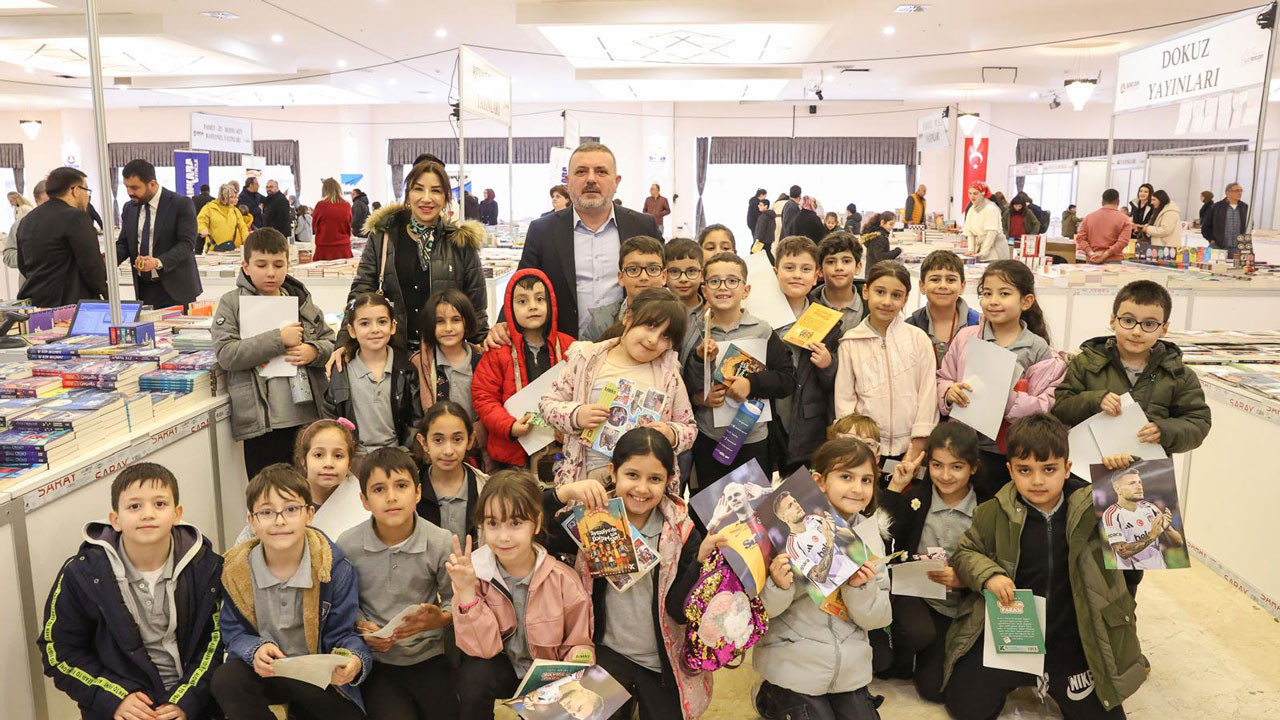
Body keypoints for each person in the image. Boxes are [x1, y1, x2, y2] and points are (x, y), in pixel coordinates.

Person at [943, 414, 1147, 720]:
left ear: (1067, 468)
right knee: (965, 707)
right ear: (1010, 469)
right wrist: (989, 575)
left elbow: (1139, 556)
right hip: (1012, 632)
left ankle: (1050, 675)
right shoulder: (991, 512)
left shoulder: (1097, 507)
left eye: (1048, 469)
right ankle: (1028, 675)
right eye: (1025, 470)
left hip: (1072, 636)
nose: (1037, 481)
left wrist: (1127, 472)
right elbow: (966, 551)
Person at [549, 428, 718, 719]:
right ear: (613, 472)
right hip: (605, 655)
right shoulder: (590, 518)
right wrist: (564, 492)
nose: (641, 488)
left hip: (663, 661)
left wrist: (701, 563)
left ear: (669, 481)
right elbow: (537, 529)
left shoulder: (683, 532)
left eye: (654, 479)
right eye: (632, 475)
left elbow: (678, 611)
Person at [38, 463, 223, 720]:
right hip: (120, 704)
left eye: (159, 504)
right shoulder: (82, 573)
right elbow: (58, 651)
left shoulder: (206, 567)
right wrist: (115, 699)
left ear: (177, 513)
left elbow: (217, 642)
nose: (147, 514)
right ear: (115, 519)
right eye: (134, 506)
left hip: (192, 704)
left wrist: (186, 701)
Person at [211, 464, 371, 719]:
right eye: (266, 512)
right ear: (252, 522)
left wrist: (355, 659)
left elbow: (345, 634)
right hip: (266, 673)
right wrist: (256, 649)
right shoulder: (235, 572)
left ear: (309, 515)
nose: (280, 521)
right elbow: (233, 633)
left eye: (291, 509)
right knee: (226, 680)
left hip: (316, 679)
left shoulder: (334, 568)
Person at [754, 437, 889, 720]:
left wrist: (860, 587)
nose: (857, 488)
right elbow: (763, 613)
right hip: (793, 661)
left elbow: (878, 619)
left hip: (849, 670)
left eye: (866, 480)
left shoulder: (869, 540)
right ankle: (769, 695)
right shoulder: (781, 534)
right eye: (846, 476)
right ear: (819, 481)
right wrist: (779, 585)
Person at [447, 470, 595, 719]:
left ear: (536, 523)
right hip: (502, 671)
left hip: (548, 677)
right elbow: (482, 650)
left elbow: (578, 643)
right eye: (493, 523)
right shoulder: (473, 573)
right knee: (475, 677)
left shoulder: (564, 580)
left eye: (516, 523)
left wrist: (579, 661)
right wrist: (466, 594)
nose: (503, 536)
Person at [338, 447, 459, 720]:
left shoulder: (440, 541)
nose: (391, 497)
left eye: (401, 486)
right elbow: (343, 603)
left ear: (417, 493)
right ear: (364, 500)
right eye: (379, 490)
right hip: (377, 662)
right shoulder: (348, 544)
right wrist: (362, 626)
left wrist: (439, 618)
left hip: (429, 655)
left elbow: (456, 600)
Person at [499, 142, 660, 341]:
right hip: (563, 350)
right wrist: (502, 324)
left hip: (631, 346)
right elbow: (523, 283)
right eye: (581, 172)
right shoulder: (542, 230)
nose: (591, 179)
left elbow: (666, 281)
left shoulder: (643, 226)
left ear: (616, 181)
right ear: (568, 182)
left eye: (601, 172)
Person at [212, 228, 336, 480]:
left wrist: (314, 351)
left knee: (309, 493)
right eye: (261, 264)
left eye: (278, 264)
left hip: (307, 417)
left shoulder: (301, 299)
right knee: (269, 493)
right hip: (263, 423)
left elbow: (331, 341)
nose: (270, 272)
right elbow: (226, 354)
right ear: (245, 266)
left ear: (288, 265)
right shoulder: (232, 303)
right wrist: (277, 340)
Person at [541, 287, 696, 486]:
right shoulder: (587, 359)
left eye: (665, 336)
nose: (653, 339)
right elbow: (547, 404)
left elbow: (689, 428)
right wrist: (576, 415)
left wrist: (671, 434)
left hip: (643, 488)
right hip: (587, 481)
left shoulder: (669, 374)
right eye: (650, 326)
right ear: (628, 317)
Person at [938, 260, 1065, 502]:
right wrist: (948, 392)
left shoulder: (1037, 347)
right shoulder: (967, 337)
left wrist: (1005, 397)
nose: (993, 301)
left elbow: (1043, 405)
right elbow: (943, 377)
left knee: (1005, 507)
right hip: (967, 447)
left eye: (1004, 294)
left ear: (1026, 301)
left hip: (1012, 451)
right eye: (987, 293)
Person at [337, 160, 489, 353]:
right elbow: (360, 292)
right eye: (418, 189)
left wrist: (484, 345)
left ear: (446, 198)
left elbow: (476, 307)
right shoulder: (383, 237)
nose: (426, 198)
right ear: (408, 194)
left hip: (445, 358)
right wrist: (344, 342)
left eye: (436, 191)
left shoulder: (460, 243)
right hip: (393, 357)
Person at [1052, 280, 1211, 464]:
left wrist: (1164, 431)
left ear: (1164, 329)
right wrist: (1095, 400)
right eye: (1128, 321)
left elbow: (1198, 423)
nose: (1136, 332)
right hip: (1089, 469)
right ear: (1113, 320)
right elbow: (1060, 409)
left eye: (1149, 324)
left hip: (1149, 475)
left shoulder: (1178, 374)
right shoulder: (1086, 363)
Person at [880, 423, 980, 702]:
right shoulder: (917, 498)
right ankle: (903, 652)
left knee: (936, 689)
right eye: (937, 465)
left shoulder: (984, 508)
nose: (945, 475)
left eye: (956, 467)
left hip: (960, 605)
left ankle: (928, 652)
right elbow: (883, 533)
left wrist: (965, 579)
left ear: (973, 467)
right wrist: (896, 486)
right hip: (916, 598)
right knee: (917, 634)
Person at [683, 254, 795, 490]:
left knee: (754, 513)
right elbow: (682, 385)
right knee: (710, 514)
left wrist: (752, 384)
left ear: (746, 290)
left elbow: (787, 380)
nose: (723, 287)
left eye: (732, 281)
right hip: (708, 439)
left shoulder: (762, 331)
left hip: (753, 439)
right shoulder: (694, 331)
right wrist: (697, 362)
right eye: (715, 281)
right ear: (704, 289)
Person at [835, 261, 939, 464]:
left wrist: (918, 443)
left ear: (906, 298)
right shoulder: (850, 341)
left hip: (911, 447)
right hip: (865, 449)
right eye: (880, 292)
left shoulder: (918, 339)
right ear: (866, 291)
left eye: (896, 295)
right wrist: (856, 446)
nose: (887, 301)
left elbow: (928, 393)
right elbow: (844, 399)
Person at [473, 268, 574, 469]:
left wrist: (569, 425)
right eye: (522, 301)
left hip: (558, 450)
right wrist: (508, 426)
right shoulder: (498, 350)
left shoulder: (569, 347)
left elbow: (580, 393)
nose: (532, 307)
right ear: (509, 308)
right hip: (511, 454)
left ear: (551, 304)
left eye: (540, 299)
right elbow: (484, 396)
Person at [771, 236, 839, 475]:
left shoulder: (827, 318)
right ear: (775, 271)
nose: (797, 275)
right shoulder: (759, 314)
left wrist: (828, 364)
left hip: (808, 423)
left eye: (806, 269)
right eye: (789, 268)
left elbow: (834, 381)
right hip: (769, 417)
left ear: (817, 274)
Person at [322, 293, 422, 454]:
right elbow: (330, 417)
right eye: (365, 323)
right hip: (354, 459)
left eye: (382, 322)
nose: (374, 329)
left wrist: (406, 453)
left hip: (397, 457)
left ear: (393, 326)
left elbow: (416, 420)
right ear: (352, 330)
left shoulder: (406, 369)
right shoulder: (341, 371)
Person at [116, 159, 202, 308]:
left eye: (135, 188)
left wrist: (158, 262)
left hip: (176, 289)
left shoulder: (181, 204)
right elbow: (124, 244)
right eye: (127, 187)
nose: (130, 192)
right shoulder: (129, 208)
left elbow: (186, 244)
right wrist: (106, 261)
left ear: (152, 184)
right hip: (144, 289)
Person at [16, 166, 108, 307]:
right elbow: (91, 266)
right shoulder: (76, 217)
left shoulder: (27, 220)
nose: (87, 197)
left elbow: (23, 265)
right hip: (70, 305)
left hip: (36, 304)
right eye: (86, 190)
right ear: (75, 190)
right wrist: (106, 295)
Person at [411, 289, 484, 446]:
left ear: (467, 322)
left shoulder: (482, 361)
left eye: (456, 320)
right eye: (440, 321)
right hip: (437, 448)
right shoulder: (420, 364)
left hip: (476, 448)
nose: (448, 328)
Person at [415, 401, 489, 544]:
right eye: (438, 440)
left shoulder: (487, 489)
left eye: (457, 439)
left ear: (470, 440)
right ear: (423, 442)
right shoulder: (410, 492)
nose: (448, 450)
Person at [582, 235, 666, 342]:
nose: (644, 277)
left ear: (664, 276)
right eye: (634, 269)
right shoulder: (600, 323)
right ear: (621, 278)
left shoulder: (679, 319)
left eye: (653, 269)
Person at [1102, 464, 1183, 572]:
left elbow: (1178, 544)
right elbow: (1122, 552)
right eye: (1132, 483)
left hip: (1161, 570)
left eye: (1139, 482)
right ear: (1118, 489)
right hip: (1133, 574)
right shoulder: (1111, 514)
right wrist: (1152, 535)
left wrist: (1168, 529)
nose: (1139, 486)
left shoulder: (1151, 508)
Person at [906, 249, 980, 364]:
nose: (943, 285)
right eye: (935, 280)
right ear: (922, 286)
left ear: (962, 286)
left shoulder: (979, 325)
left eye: (951, 280)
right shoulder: (909, 328)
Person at [811, 232, 866, 336]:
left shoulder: (871, 306)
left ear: (858, 267)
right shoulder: (807, 306)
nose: (839, 267)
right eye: (831, 262)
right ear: (820, 270)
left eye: (846, 261)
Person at [664, 238, 706, 363]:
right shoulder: (657, 312)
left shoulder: (709, 314)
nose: (683, 279)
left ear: (702, 274)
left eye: (691, 271)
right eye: (674, 272)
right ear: (664, 275)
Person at [1075, 189, 1134, 263]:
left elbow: (1080, 239)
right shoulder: (1125, 219)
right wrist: (1105, 254)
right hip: (1113, 262)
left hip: (1091, 260)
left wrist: (1091, 253)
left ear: (1102, 202)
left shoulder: (1088, 217)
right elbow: (1123, 242)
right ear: (1118, 202)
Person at [961, 182, 1008, 261]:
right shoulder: (972, 209)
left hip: (994, 250)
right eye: (970, 193)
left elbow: (991, 233)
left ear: (983, 194)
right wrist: (971, 250)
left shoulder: (990, 208)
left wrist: (983, 251)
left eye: (975, 193)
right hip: (981, 250)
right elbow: (970, 234)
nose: (972, 196)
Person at [199, 183, 250, 252]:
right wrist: (203, 229)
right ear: (223, 196)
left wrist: (247, 240)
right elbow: (201, 221)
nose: (235, 200)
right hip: (213, 250)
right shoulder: (209, 208)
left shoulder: (235, 211)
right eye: (232, 197)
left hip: (231, 250)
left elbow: (243, 227)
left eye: (236, 197)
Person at [313, 178, 354, 261]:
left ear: (324, 190)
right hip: (344, 248)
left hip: (324, 248)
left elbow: (314, 226)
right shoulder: (347, 205)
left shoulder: (320, 205)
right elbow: (349, 225)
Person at [1202, 182, 1248, 251]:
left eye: (1241, 190)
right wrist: (1211, 240)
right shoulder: (1216, 207)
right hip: (1218, 246)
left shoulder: (1245, 207)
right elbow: (1206, 225)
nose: (1240, 193)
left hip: (1238, 248)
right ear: (1227, 192)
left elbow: (1249, 224)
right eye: (1237, 190)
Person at [860, 210, 903, 275]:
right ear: (882, 223)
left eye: (893, 224)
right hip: (877, 274)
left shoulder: (875, 236)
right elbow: (881, 257)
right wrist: (897, 250)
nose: (892, 227)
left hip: (872, 272)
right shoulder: (880, 238)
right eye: (890, 224)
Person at [3, 190, 33, 272]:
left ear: (17, 198)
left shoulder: (26, 208)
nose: (10, 203)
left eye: (11, 200)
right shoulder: (16, 209)